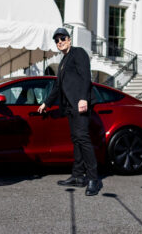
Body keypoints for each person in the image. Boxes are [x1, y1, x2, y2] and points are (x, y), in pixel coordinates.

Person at [37, 28, 102, 196]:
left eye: (62, 38)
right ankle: (78, 176)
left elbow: (86, 76)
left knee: (83, 139)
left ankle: (94, 178)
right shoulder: (64, 60)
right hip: (70, 107)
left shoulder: (78, 52)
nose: (60, 42)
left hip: (80, 104)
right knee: (77, 140)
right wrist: (46, 103)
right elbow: (57, 86)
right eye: (57, 40)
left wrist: (83, 98)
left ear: (69, 39)